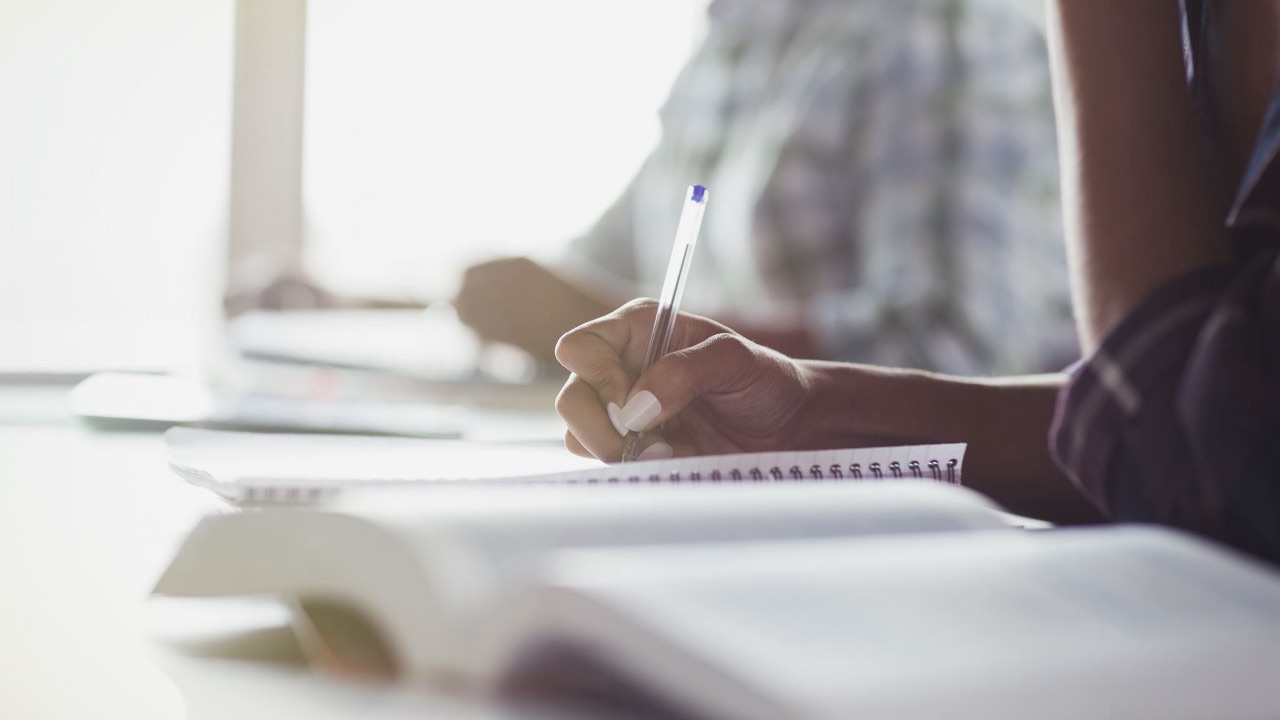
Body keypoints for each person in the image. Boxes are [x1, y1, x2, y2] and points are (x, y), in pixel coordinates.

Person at [553, 0, 1280, 564]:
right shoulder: (727, 43)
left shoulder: (936, 27)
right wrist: (806, 415)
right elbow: (1226, 409)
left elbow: (1197, 446)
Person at [456, 0, 1076, 375]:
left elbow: (955, 349)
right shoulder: (728, 49)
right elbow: (591, 276)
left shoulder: (933, 29)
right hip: (729, 496)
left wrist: (639, 340)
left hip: (890, 535)